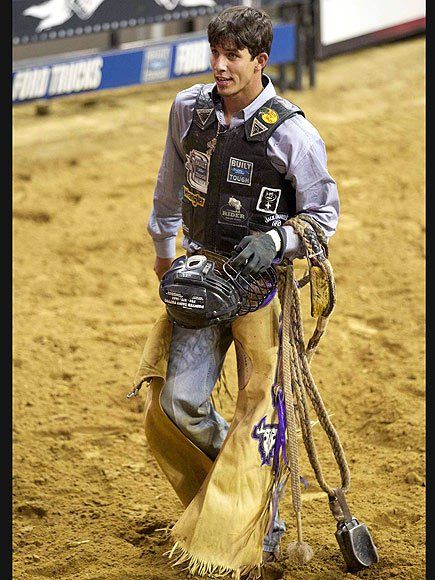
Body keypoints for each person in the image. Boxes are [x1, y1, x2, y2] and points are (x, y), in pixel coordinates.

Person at [137, 5, 339, 578]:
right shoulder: (188, 111)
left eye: (233, 56)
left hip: (258, 295)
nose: (220, 66)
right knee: (178, 404)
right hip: (200, 281)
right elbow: (169, 186)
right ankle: (244, 490)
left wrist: (278, 241)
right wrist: (162, 247)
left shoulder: (293, 133)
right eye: (215, 53)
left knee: (259, 413)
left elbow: (324, 215)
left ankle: (257, 515)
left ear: (260, 61)